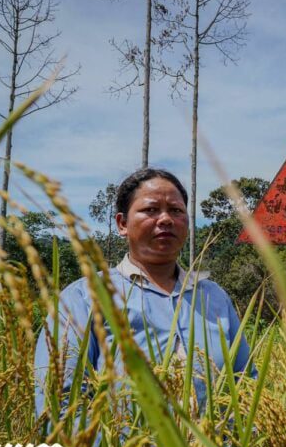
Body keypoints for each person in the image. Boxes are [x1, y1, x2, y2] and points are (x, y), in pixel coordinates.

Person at [34, 167, 252, 423]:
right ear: (122, 224)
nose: (166, 219)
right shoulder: (85, 298)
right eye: (151, 210)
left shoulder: (213, 298)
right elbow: (61, 403)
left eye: (176, 211)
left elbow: (246, 385)